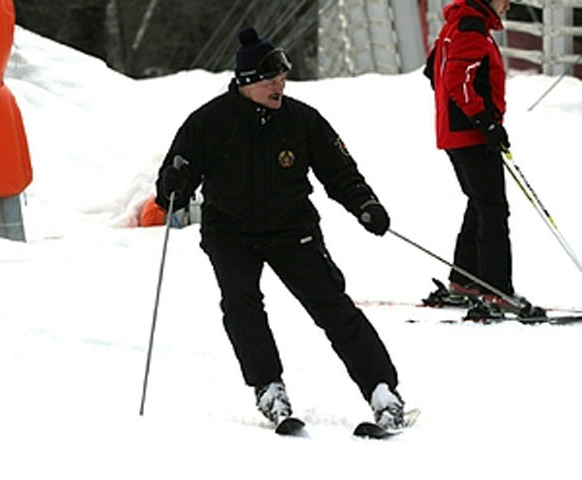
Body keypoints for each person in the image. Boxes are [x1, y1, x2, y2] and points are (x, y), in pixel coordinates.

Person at [154, 27, 406, 429]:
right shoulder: (209, 122)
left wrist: (364, 203)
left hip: (292, 229)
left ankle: (382, 390)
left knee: (331, 304)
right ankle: (268, 388)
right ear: (247, 82)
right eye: (270, 80)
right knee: (241, 306)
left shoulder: (301, 120)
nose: (279, 86)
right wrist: (174, 187)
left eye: (283, 78)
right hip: (230, 233)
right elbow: (174, 174)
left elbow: (339, 171)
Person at [423, 0, 517, 305]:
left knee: (480, 203)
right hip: (469, 136)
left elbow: (432, 69)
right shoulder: (470, 28)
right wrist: (484, 121)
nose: (508, 4)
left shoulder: (458, 24)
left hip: (458, 133)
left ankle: (465, 279)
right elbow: (456, 80)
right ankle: (496, 289)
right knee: (493, 210)